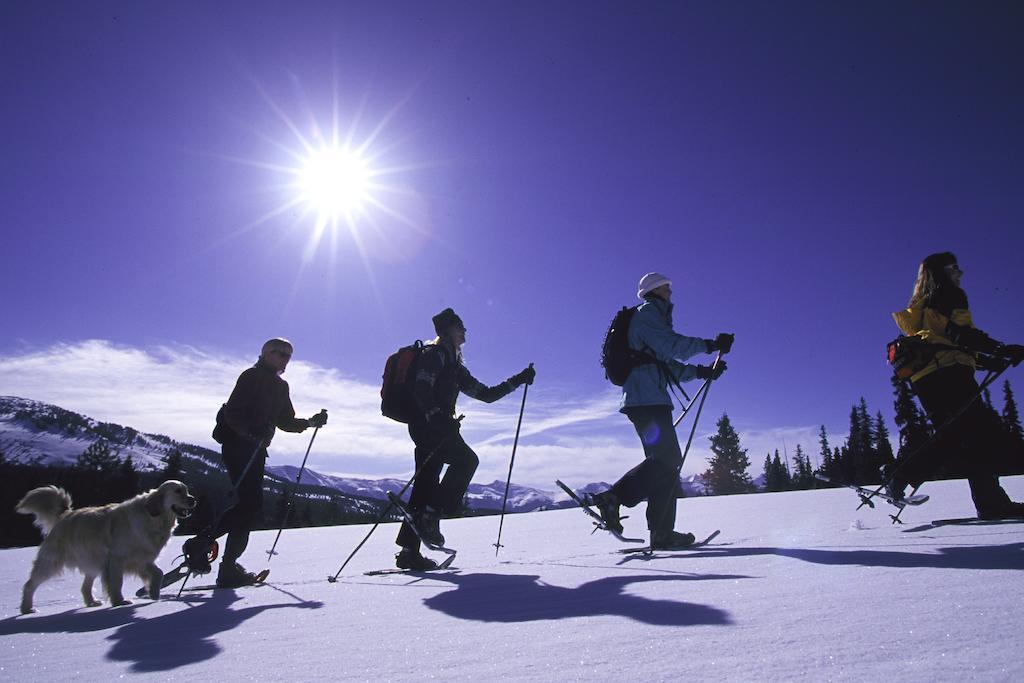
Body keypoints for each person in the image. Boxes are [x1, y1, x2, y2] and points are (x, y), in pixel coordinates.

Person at [590, 272, 733, 549]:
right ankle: (614, 497)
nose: (671, 292)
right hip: (645, 400)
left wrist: (703, 371)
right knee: (667, 458)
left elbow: (665, 364)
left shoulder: (653, 318)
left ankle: (662, 533)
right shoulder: (647, 314)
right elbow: (672, 346)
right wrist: (710, 345)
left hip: (649, 398)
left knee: (665, 466)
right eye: (667, 288)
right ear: (655, 290)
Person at [395, 307, 535, 570]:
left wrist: (519, 379)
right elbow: (421, 388)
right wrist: (437, 417)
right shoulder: (436, 355)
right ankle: (432, 515)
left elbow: (487, 394)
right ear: (447, 331)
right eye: (460, 326)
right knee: (467, 461)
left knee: (425, 485)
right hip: (432, 428)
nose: (465, 330)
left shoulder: (454, 365)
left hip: (432, 427)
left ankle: (408, 552)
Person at [888, 252, 1024, 519]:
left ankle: (901, 475)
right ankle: (990, 502)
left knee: (957, 435)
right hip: (948, 374)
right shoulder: (949, 294)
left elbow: (943, 340)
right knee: (976, 432)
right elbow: (960, 335)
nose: (960, 273)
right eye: (954, 268)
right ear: (940, 273)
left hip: (927, 377)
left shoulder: (923, 304)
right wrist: (1000, 349)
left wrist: (984, 360)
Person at [201, 338, 328, 587]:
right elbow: (233, 413)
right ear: (265, 354)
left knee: (249, 504)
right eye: (279, 353)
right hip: (239, 445)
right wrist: (251, 433)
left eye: (288, 355)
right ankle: (211, 552)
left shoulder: (281, 386)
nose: (283, 358)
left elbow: (286, 422)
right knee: (250, 503)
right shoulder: (250, 376)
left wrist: (311, 422)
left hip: (255, 448)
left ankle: (222, 561)